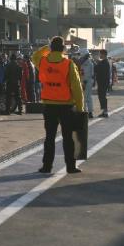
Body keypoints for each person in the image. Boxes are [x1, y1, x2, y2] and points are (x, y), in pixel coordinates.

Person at [32, 36, 84, 174]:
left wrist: (46, 48)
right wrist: (80, 108)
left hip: (49, 106)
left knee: (49, 137)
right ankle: (70, 167)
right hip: (66, 106)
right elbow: (77, 88)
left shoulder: (42, 62)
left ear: (51, 48)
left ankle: (47, 167)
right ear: (63, 49)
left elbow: (35, 56)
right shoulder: (68, 64)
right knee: (68, 138)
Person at [94, 49, 110, 117]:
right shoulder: (104, 62)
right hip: (103, 82)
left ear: (103, 54)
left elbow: (97, 69)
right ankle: (104, 111)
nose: (99, 55)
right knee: (102, 97)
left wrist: (96, 63)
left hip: (103, 83)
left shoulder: (104, 62)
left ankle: (105, 111)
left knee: (102, 97)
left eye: (100, 54)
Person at [79, 48, 95, 119]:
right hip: (86, 81)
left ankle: (86, 112)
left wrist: (84, 82)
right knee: (88, 97)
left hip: (86, 81)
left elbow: (86, 73)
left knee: (85, 97)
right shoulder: (85, 62)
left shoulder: (87, 63)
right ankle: (89, 112)